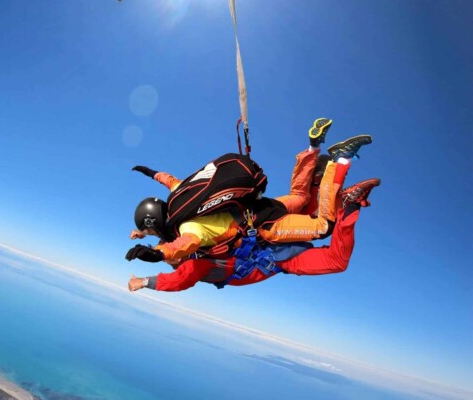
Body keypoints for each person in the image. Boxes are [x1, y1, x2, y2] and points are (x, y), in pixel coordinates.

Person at [126, 118, 372, 263]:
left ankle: (339, 161)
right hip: (265, 204)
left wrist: (157, 254)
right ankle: (312, 147)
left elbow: (183, 246)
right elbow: (169, 180)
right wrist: (151, 173)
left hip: (266, 226)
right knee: (301, 196)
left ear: (155, 223)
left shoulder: (188, 228)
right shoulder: (181, 196)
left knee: (323, 227)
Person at [127, 177, 380, 292]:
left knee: (333, 254)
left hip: (278, 257)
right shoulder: (192, 222)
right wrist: (145, 235)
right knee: (304, 207)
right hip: (268, 238)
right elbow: (174, 241)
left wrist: (144, 281)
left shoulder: (199, 262)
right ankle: (329, 183)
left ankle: (347, 203)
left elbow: (179, 275)